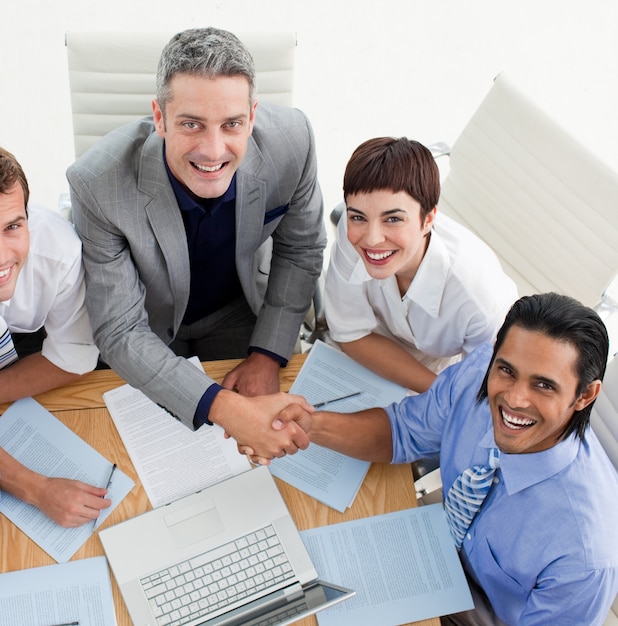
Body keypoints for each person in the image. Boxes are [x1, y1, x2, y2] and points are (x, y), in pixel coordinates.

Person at [264, 293, 618, 625]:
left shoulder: (585, 558)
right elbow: (401, 431)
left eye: (543, 385)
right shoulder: (478, 372)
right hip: (430, 554)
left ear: (585, 395)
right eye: (506, 370)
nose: (514, 399)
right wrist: (311, 426)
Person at [66, 27, 324, 458]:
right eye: (191, 124)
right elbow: (120, 329)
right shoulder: (96, 183)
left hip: (243, 314)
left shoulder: (293, 142)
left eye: (232, 124)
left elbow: (301, 250)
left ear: (252, 116)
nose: (213, 150)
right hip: (146, 323)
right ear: (159, 117)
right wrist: (223, 409)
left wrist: (267, 354)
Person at [325, 137, 518, 393]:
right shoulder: (352, 235)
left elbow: (484, 392)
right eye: (358, 216)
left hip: (441, 374)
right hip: (369, 359)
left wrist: (439, 395)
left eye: (393, 219)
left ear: (428, 220)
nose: (371, 239)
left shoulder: (480, 297)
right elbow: (350, 333)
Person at [0, 146, 107, 527]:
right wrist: (36, 488)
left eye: (12, 226)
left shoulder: (57, 249)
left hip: (24, 337)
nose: (1, 256)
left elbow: (73, 356)